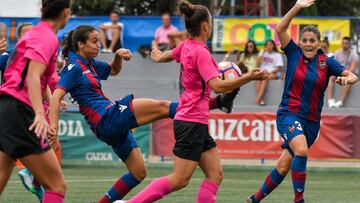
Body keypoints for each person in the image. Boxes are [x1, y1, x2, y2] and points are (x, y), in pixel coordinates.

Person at [122, 1, 268, 203]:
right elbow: (217, 86)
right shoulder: (201, 52)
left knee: (215, 174)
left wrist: (156, 55)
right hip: (191, 122)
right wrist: (249, 77)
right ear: (206, 26)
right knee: (179, 180)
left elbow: (166, 56)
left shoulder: (186, 47)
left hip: (193, 120)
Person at [247, 0, 358, 203]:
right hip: (288, 114)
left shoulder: (327, 62)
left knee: (283, 166)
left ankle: (254, 199)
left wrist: (346, 78)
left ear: (318, 43)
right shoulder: (293, 52)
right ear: (300, 42)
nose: (308, 44)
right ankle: (299, 200)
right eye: (304, 40)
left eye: (312, 41)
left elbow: (353, 76)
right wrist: (297, 6)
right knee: (301, 150)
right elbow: (280, 28)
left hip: (311, 123)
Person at [0, 1, 71, 203]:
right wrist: (40, 114)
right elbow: (33, 75)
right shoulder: (47, 37)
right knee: (56, 185)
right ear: (66, 12)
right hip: (19, 110)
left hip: (6, 107)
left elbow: (38, 80)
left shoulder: (36, 33)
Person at [326, 36, 358, 108]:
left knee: (347, 79)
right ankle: (330, 100)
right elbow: (333, 66)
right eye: (343, 43)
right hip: (338, 72)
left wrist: (343, 74)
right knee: (330, 78)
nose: (344, 45)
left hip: (349, 73)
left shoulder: (354, 54)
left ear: (349, 44)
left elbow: (352, 69)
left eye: (346, 43)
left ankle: (341, 102)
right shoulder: (337, 53)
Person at [255, 39, 284, 106]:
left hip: (273, 73)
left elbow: (278, 68)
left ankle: (258, 98)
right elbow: (257, 65)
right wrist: (262, 53)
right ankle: (261, 100)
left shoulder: (277, 55)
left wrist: (270, 72)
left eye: (270, 44)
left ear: (273, 45)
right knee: (257, 78)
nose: (268, 46)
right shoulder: (262, 53)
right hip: (263, 72)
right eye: (267, 44)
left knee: (265, 77)